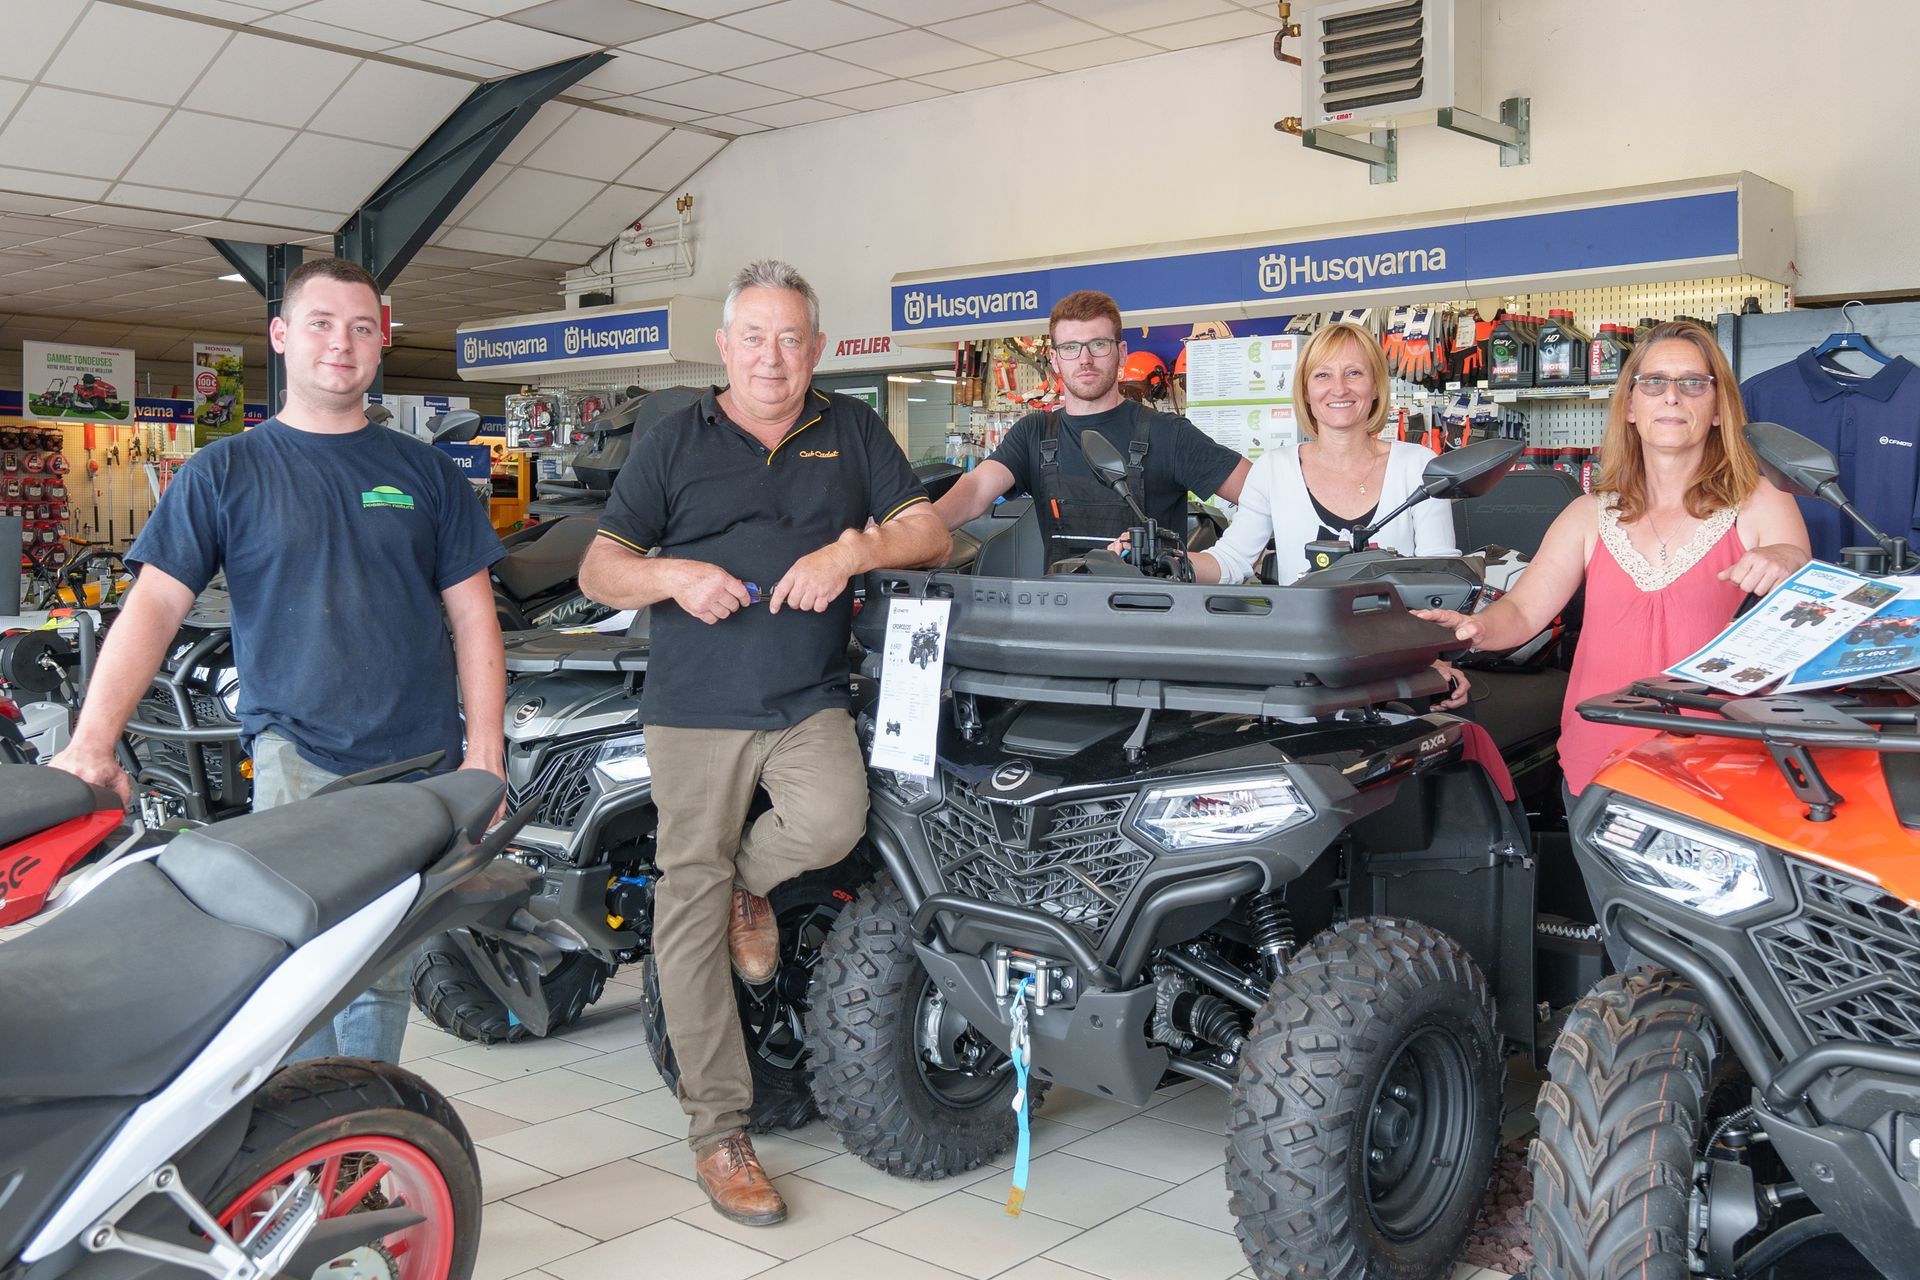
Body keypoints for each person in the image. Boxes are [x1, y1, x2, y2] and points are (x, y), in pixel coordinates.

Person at [48, 256, 507, 1063]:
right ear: (281, 336)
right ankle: (306, 1122)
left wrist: (486, 758)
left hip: (421, 761)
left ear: (381, 343)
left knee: (381, 967)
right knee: (296, 961)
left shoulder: (425, 474)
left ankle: (359, 1124)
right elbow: (153, 606)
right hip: (297, 754)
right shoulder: (224, 471)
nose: (342, 343)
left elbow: (475, 620)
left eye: (361, 328)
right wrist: (91, 742)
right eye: (321, 324)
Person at [577, 259, 949, 1228]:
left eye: (790, 339)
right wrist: (673, 576)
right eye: (754, 338)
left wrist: (852, 551)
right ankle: (719, 1131)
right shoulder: (674, 438)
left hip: (805, 697)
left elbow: (929, 533)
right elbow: (601, 569)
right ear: (725, 346)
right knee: (685, 900)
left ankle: (746, 885)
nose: (772, 357)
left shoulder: (852, 428)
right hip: (694, 707)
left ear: (816, 348)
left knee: (833, 819)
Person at [1414, 320, 1810, 797]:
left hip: (1724, 767)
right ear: (1630, 407)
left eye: (1693, 383)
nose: (1672, 397)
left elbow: (1799, 581)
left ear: (1718, 409)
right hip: (1601, 764)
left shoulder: (1762, 501)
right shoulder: (1588, 514)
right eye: (1654, 382)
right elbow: (1521, 612)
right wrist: (1475, 628)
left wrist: (1785, 557)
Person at [1191, 321, 1468, 707]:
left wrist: (1434, 660)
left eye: (1354, 373)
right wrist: (1167, 561)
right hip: (1305, 674)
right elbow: (1231, 561)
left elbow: (1441, 579)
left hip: (1398, 671)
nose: (1339, 388)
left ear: (1376, 386)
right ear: (1306, 391)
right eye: (1323, 375)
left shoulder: (1418, 465)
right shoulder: (1273, 468)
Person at [933, 290, 1250, 565]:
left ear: (1121, 353)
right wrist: (918, 528)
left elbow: (1261, 494)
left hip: (1150, 612)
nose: (1084, 359)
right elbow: (975, 491)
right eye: (1071, 347)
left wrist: (1223, 562)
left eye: (1098, 344)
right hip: (1064, 610)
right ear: (1055, 359)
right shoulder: (1034, 434)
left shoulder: (1168, 434)